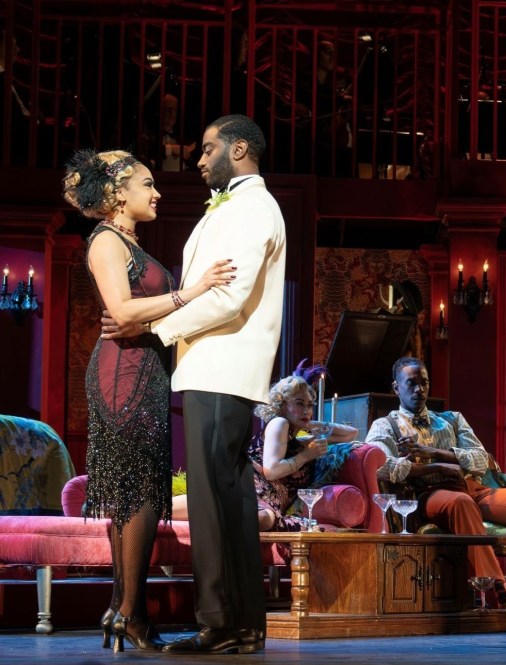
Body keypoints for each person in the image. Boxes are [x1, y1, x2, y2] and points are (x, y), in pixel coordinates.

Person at [103, 114, 286, 654]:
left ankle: (221, 624)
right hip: (215, 364)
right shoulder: (236, 205)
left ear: (240, 149)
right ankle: (241, 625)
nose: (199, 158)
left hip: (223, 363)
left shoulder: (252, 207)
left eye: (208, 149)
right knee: (226, 496)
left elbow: (228, 298)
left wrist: (154, 329)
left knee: (214, 499)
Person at [61, 149, 234, 652]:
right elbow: (121, 311)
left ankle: (122, 609)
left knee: (136, 491)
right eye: (147, 184)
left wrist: (153, 314)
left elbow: (137, 313)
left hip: (143, 369)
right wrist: (192, 291)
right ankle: (130, 613)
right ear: (118, 194)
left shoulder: (128, 242)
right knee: (137, 493)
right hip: (124, 373)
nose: (157, 193)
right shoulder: (106, 241)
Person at [365, 356, 506, 605]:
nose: (419, 389)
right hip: (430, 494)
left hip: (473, 489)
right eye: (411, 383)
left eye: (424, 383)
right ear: (396, 387)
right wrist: (436, 467)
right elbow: (380, 466)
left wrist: (435, 453)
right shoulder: (386, 425)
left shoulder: (451, 419)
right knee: (461, 502)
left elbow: (481, 459)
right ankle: (498, 590)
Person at [249, 368, 359, 531]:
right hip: (255, 492)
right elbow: (272, 471)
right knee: (264, 519)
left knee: (267, 519)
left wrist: (309, 424)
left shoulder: (299, 434)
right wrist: (306, 455)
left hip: (273, 504)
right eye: (299, 404)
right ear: (282, 406)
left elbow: (351, 433)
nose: (306, 410)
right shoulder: (279, 423)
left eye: (310, 405)